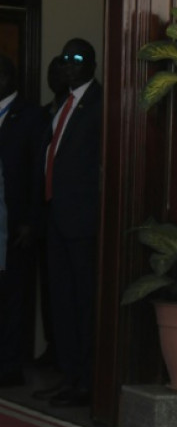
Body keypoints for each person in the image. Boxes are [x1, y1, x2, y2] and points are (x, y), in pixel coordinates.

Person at [30, 39, 103, 407]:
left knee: (82, 305)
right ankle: (69, 376)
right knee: (61, 303)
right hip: (56, 220)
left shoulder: (100, 105)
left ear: (92, 63)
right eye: (64, 58)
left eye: (76, 58)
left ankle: (86, 383)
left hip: (83, 224)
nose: (68, 64)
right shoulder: (64, 103)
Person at [0, 54, 45, 387]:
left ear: (7, 77)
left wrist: (30, 219)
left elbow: (37, 172)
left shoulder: (31, 115)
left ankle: (10, 365)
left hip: (13, 223)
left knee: (13, 295)